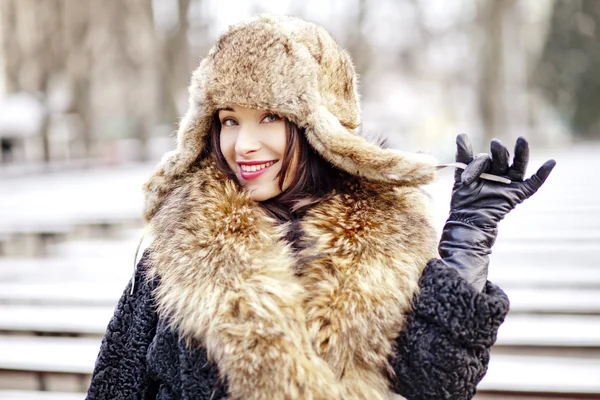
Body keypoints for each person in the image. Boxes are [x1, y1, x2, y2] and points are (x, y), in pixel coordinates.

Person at [86, 15, 555, 400]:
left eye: (269, 116)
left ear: (319, 127)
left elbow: (439, 383)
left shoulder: (383, 242)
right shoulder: (181, 247)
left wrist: (470, 235)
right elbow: (115, 385)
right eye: (229, 120)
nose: (243, 144)